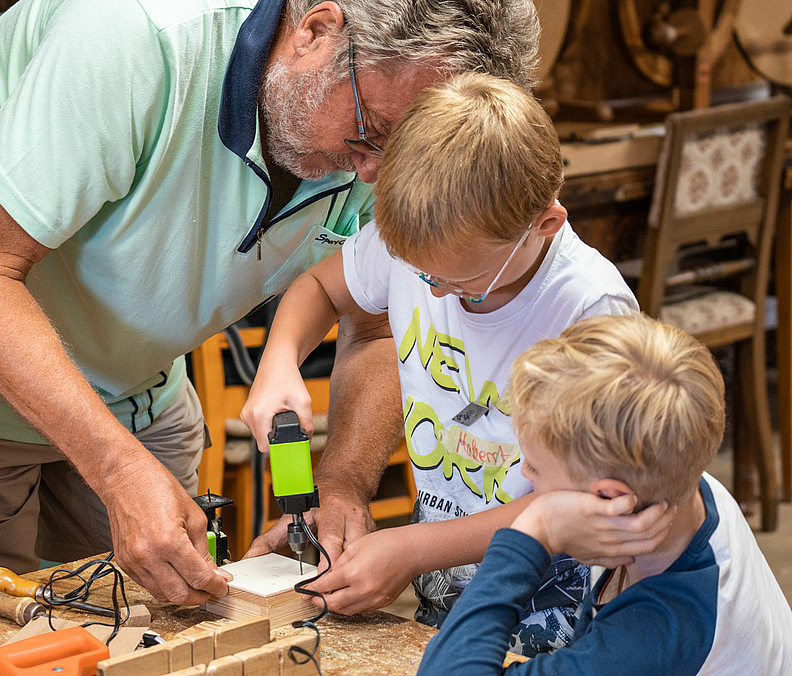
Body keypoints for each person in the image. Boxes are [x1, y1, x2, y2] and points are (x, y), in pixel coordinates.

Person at [0, 0, 542, 603]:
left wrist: (344, 489)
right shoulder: (138, 36)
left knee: (169, 601)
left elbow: (377, 317)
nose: (375, 174)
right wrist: (115, 468)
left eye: (407, 151)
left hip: (135, 367)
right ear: (316, 29)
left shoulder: (382, 124)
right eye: (374, 134)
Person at [239, 72, 666, 655]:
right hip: (446, 584)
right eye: (420, 274)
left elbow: (588, 499)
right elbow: (320, 287)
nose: (435, 294)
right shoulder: (424, 243)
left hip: (555, 608)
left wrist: (412, 549)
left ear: (544, 223)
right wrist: (281, 359)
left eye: (460, 280)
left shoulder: (590, 312)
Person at [417, 313, 792, 674]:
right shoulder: (678, 483)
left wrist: (534, 528)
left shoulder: (651, 638)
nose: (524, 472)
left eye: (535, 466)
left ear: (610, 498)